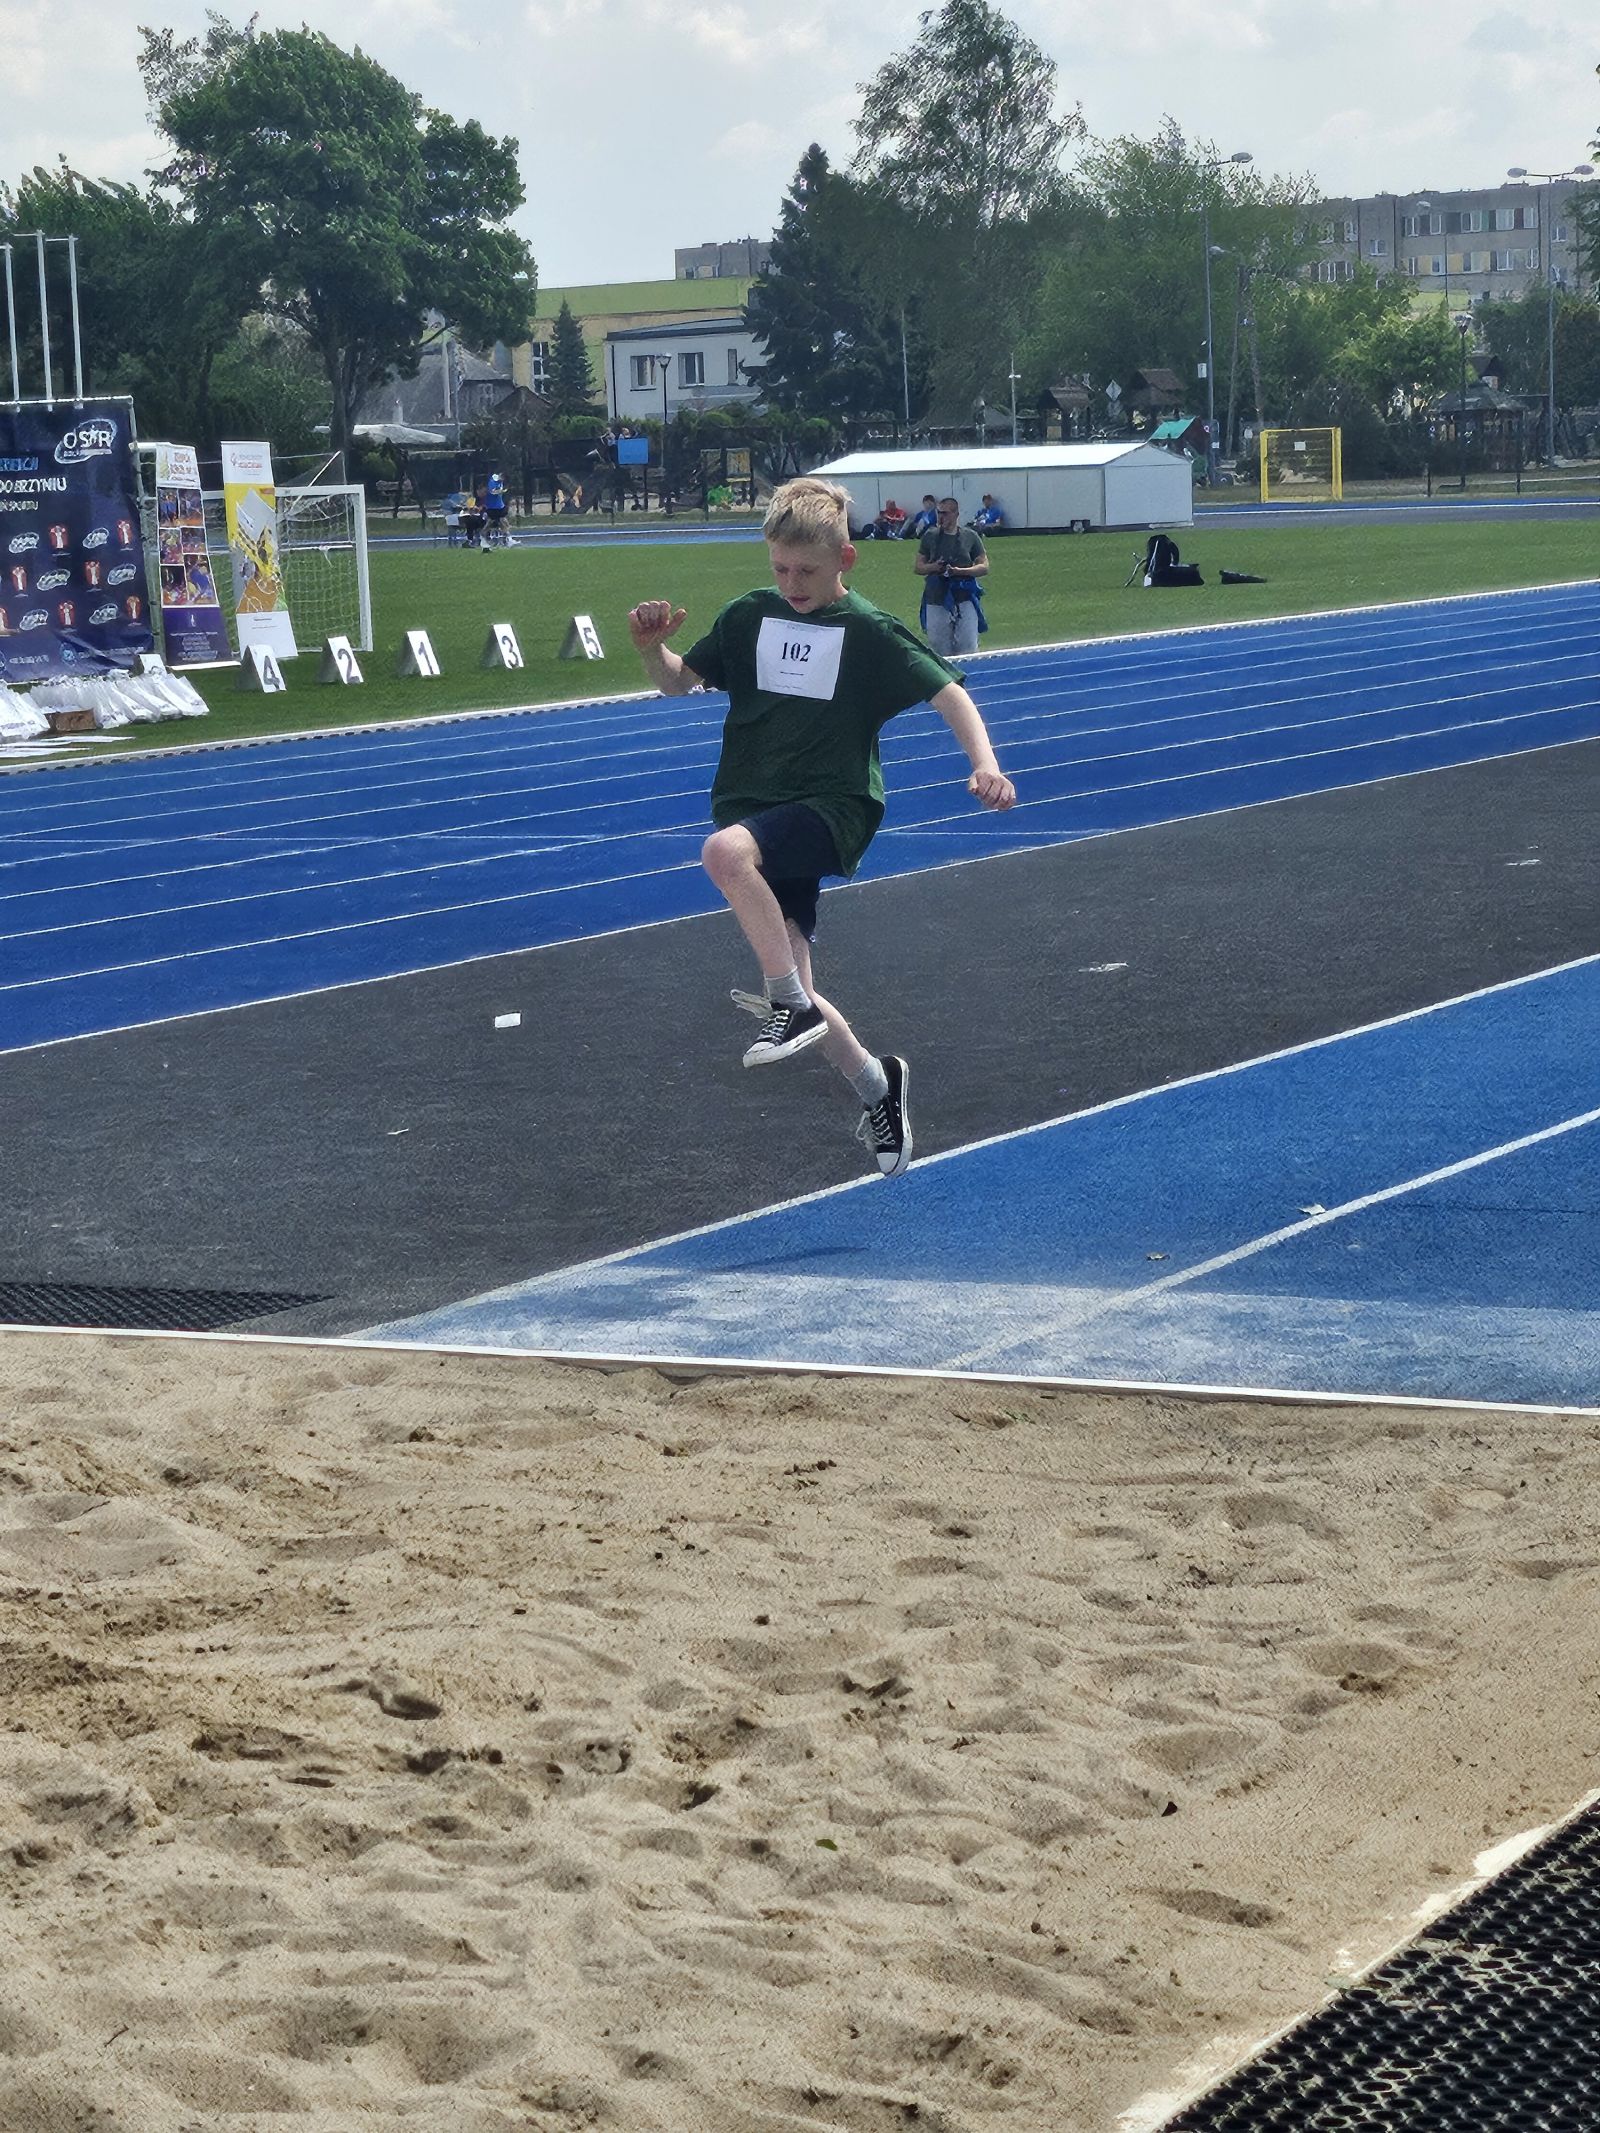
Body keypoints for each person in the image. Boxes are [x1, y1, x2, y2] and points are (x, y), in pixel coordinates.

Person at [628, 476, 1015, 1179]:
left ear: (845, 559)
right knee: (801, 981)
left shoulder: (867, 630)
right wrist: (654, 650)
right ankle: (877, 1083)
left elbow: (949, 692)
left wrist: (985, 764)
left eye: (806, 570)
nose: (792, 583)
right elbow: (681, 681)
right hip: (757, 807)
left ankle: (787, 1003)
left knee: (723, 856)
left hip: (833, 805)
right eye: (780, 568)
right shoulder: (751, 616)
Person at [914, 495, 989, 656]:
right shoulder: (930, 536)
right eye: (939, 513)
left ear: (956, 514)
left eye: (945, 513)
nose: (941, 517)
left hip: (964, 595)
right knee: (939, 646)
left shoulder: (970, 536)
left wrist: (961, 571)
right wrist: (934, 567)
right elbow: (918, 566)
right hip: (936, 596)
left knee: (968, 645)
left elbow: (984, 566)